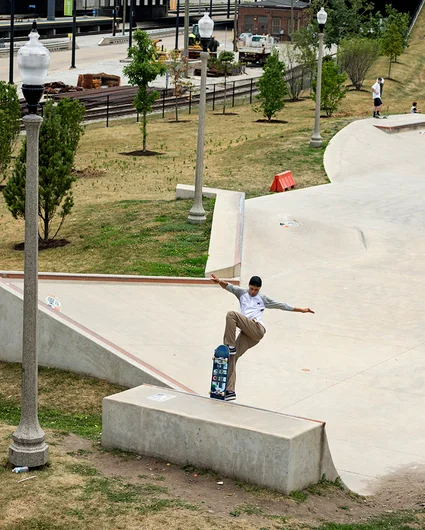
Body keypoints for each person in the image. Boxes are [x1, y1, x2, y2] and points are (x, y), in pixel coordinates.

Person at [211, 273, 314, 400]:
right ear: (248, 286)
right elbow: (229, 286)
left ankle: (229, 345)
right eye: (252, 289)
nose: (253, 292)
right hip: (248, 335)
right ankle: (230, 390)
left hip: (257, 329)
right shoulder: (241, 292)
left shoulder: (263, 298)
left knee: (231, 314)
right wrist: (219, 281)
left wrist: (301, 309)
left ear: (260, 289)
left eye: (256, 290)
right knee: (232, 358)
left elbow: (281, 305)